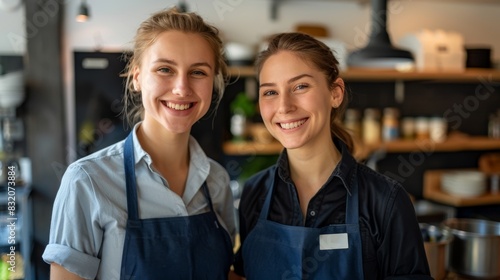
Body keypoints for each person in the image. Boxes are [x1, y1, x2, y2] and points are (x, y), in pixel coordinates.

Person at [42, 8, 236, 280]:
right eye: (165, 69)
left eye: (198, 72)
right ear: (137, 77)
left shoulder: (217, 181)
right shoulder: (87, 181)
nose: (182, 88)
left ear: (212, 83)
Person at [232, 32, 433, 280]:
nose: (284, 107)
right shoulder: (255, 192)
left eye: (300, 86)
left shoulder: (386, 201)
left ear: (335, 92)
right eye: (270, 92)